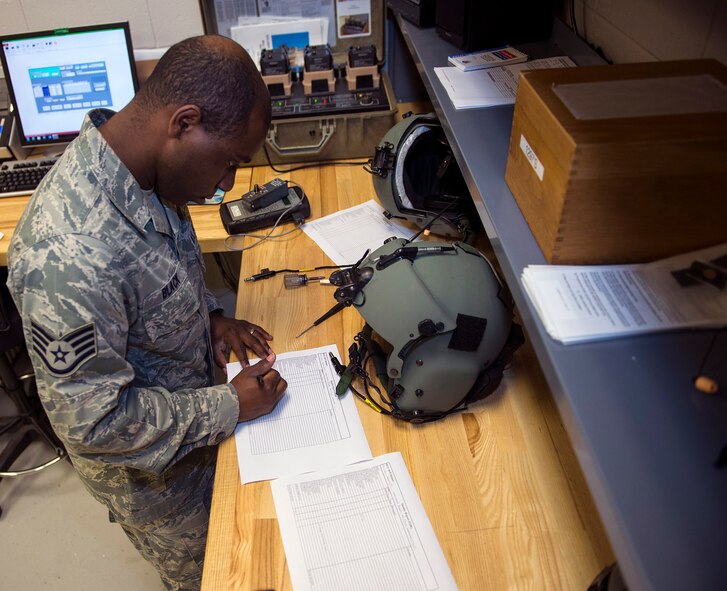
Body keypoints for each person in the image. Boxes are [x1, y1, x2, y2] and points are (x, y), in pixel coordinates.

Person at [6, 35, 287, 591]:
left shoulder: (146, 167)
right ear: (184, 122)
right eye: (230, 162)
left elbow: (158, 267)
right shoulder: (67, 256)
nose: (228, 183)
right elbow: (95, 423)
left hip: (197, 415)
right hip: (158, 480)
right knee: (216, 572)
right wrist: (228, 405)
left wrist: (208, 316)